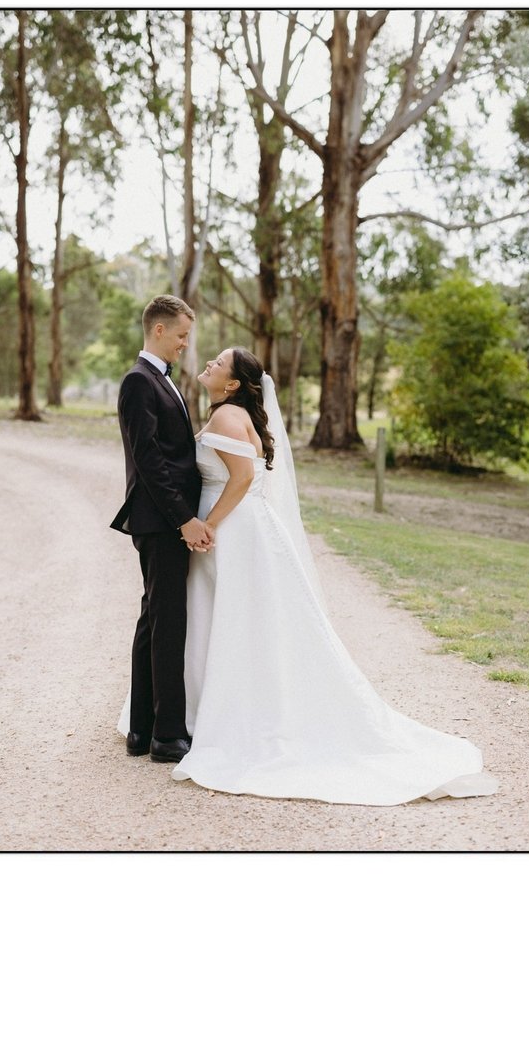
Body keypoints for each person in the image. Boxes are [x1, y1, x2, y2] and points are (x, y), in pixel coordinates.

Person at [159, 345, 498, 805]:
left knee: (235, 622)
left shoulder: (225, 418)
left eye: (219, 363)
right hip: (247, 526)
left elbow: (239, 479)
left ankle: (228, 719)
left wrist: (209, 524)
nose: (211, 365)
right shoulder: (236, 414)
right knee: (242, 623)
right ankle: (221, 710)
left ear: (234, 383)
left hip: (233, 529)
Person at [109, 296, 213, 765]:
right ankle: (168, 736)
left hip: (163, 520)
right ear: (158, 331)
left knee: (154, 619)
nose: (185, 344)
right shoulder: (138, 381)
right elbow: (150, 462)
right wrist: (184, 519)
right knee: (168, 623)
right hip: (160, 521)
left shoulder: (161, 381)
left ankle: (142, 729)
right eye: (181, 335)